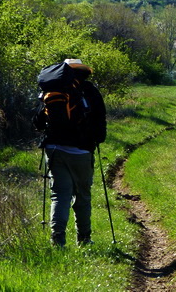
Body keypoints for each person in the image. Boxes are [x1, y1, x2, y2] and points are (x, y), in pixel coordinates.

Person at [34, 58, 107, 247]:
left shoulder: (51, 91)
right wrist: (95, 139)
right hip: (81, 151)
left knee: (59, 195)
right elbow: (100, 125)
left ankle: (57, 238)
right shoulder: (89, 90)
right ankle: (84, 239)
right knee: (82, 195)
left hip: (54, 150)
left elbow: (38, 122)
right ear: (83, 71)